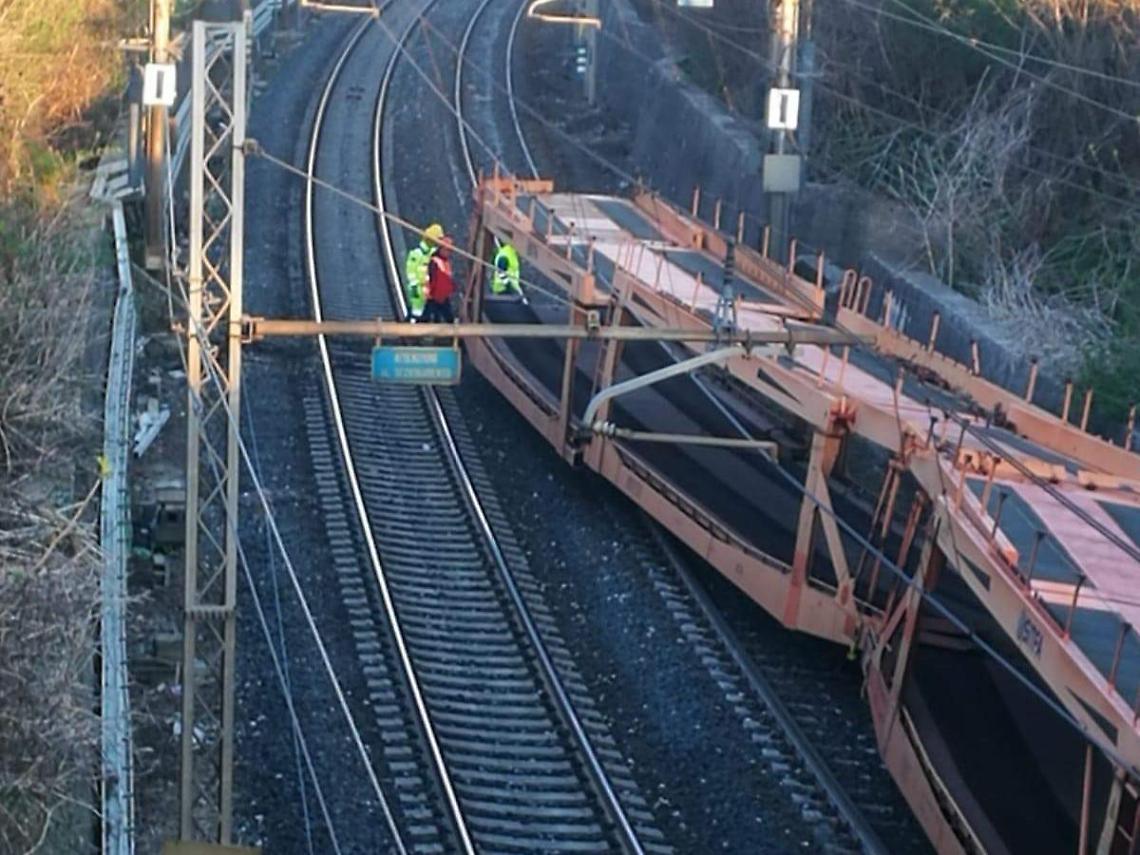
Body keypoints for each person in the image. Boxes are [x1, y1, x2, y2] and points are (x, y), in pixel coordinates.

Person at [404, 223, 444, 320]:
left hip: (429, 291)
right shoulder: (416, 254)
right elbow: (410, 272)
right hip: (419, 290)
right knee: (416, 312)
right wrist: (416, 286)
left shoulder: (433, 254)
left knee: (428, 312)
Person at [421, 237, 456, 324]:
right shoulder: (435, 261)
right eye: (447, 250)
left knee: (442, 317)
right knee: (431, 316)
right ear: (441, 249)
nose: (448, 253)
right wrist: (432, 292)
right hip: (435, 295)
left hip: (442, 295)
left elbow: (447, 277)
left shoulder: (445, 262)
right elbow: (433, 278)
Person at [490, 239, 526, 303]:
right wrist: (508, 286)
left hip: (508, 288)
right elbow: (501, 271)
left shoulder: (511, 252)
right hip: (503, 289)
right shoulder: (506, 254)